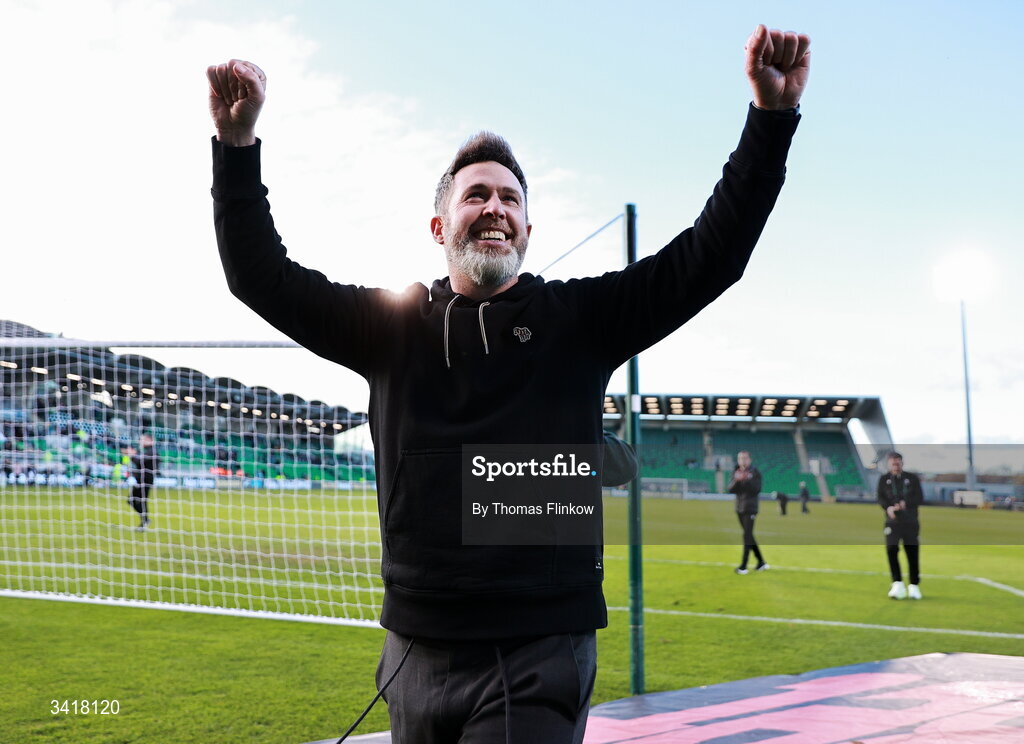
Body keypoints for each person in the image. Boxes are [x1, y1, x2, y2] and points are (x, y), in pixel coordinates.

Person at [207, 23, 809, 743]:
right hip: (413, 651)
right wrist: (236, 145)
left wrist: (770, 121)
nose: (494, 207)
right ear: (440, 226)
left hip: (539, 651)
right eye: (475, 195)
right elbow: (259, 276)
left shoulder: (580, 320)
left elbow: (712, 254)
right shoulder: (389, 329)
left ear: (526, 229)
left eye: (510, 199)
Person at [877, 451, 923, 600]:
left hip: (910, 522)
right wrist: (889, 507)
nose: (895, 465)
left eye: (898, 463)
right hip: (892, 522)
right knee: (891, 550)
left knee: (912, 553)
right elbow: (880, 498)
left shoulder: (912, 479)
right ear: (889, 464)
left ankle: (914, 585)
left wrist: (906, 504)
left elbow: (919, 497)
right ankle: (897, 583)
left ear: (902, 463)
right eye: (893, 463)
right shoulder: (884, 479)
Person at [728, 451, 769, 574]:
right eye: (740, 458)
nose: (743, 460)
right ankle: (761, 562)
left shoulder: (755, 472)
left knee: (746, 536)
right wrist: (738, 479)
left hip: (750, 508)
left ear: (749, 459)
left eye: (745, 458)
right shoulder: (736, 472)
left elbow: (757, 489)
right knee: (749, 535)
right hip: (739, 508)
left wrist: (747, 479)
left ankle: (743, 566)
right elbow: (730, 489)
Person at [127, 433, 160, 532]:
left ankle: (145, 521)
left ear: (149, 440)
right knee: (134, 500)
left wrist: (132, 455)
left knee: (137, 500)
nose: (140, 442)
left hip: (145, 480)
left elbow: (139, 462)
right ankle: (145, 520)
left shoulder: (152, 452)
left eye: (142, 440)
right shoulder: (148, 451)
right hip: (142, 480)